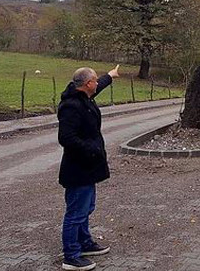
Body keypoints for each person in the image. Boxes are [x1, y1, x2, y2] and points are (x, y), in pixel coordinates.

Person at [57, 65, 119, 271]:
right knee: (76, 212)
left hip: (88, 167)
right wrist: (91, 149)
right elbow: (66, 138)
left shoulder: (84, 96)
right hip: (78, 168)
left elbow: (100, 85)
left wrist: (110, 76)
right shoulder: (71, 106)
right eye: (94, 80)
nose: (97, 83)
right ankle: (71, 255)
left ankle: (85, 243)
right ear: (87, 84)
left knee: (86, 208)